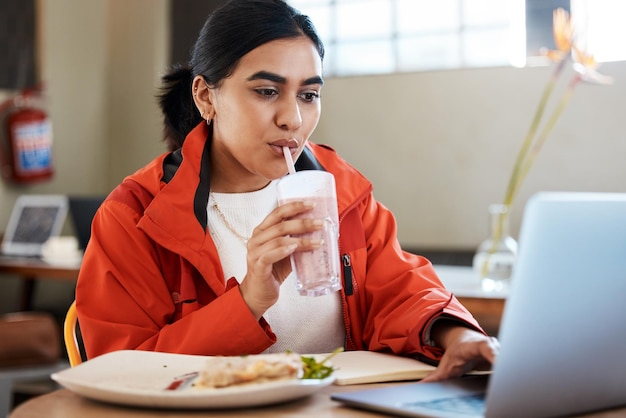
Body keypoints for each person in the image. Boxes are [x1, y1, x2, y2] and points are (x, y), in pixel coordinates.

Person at [76, 0, 498, 382]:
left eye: (309, 94)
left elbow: (402, 290)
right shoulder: (133, 216)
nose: (293, 119)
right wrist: (248, 301)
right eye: (266, 91)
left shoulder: (342, 190)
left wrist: (455, 334)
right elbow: (122, 373)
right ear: (206, 96)